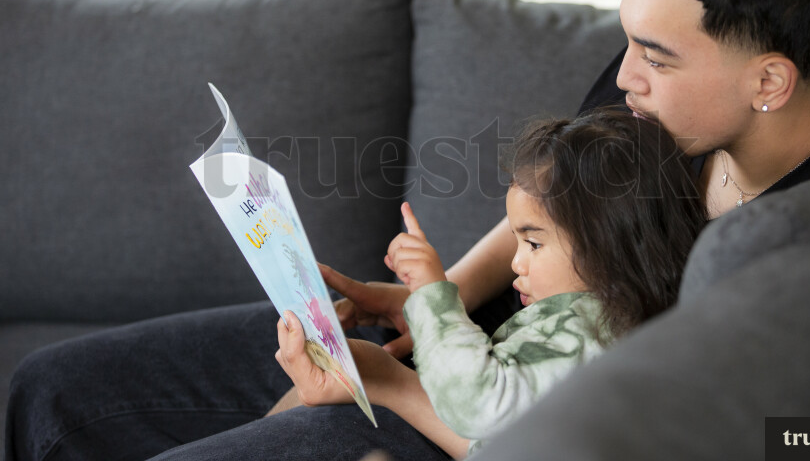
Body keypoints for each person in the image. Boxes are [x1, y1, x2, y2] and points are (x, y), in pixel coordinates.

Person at [5, 0, 810, 461]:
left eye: (657, 56)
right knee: (48, 394)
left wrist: (399, 388)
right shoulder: (650, 97)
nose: (626, 77)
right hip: (436, 348)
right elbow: (557, 213)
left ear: (768, 80)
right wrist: (428, 300)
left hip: (473, 427)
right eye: (627, 37)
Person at [273, 110, 706, 459]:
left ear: (613, 241)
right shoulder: (592, 317)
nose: (515, 262)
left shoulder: (589, 329)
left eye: (533, 243)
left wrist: (431, 298)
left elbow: (478, 405)